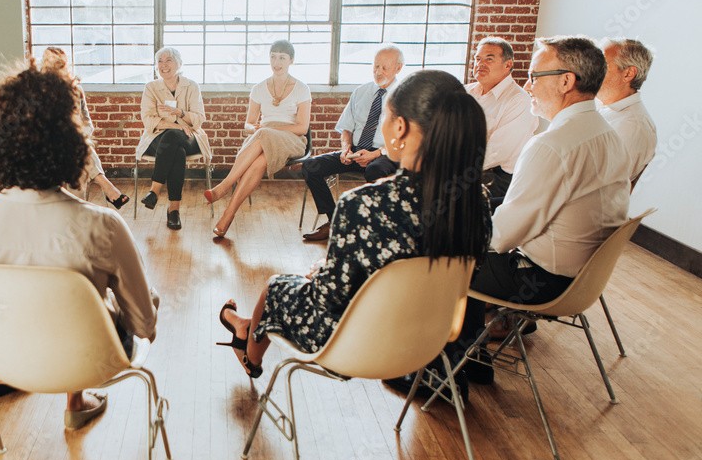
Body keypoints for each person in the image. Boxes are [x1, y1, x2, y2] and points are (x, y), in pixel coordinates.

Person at [218, 70, 491, 384]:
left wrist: (320, 272)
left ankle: (249, 352)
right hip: (429, 341)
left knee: (276, 287)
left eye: (387, 116)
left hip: (357, 346)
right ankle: (244, 328)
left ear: (399, 127)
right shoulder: (475, 200)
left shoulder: (364, 204)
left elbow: (329, 297)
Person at [0, 61, 160, 429]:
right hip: (90, 361)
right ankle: (75, 401)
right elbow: (143, 326)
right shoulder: (104, 225)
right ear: (73, 147)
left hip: (4, 360)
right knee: (118, 296)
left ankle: (62, 388)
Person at [453, 36, 630, 375]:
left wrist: (453, 238)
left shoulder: (551, 145)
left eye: (535, 76)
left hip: (543, 280)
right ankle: (469, 356)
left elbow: (502, 237)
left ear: (567, 81)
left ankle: (454, 369)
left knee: (446, 256)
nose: (527, 85)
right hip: (583, 280)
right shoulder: (608, 134)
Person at [204, 40, 311, 238]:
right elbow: (248, 124)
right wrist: (256, 128)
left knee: (264, 134)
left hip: (292, 139)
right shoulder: (259, 88)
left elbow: (302, 128)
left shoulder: (302, 89)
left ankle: (224, 186)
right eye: (273, 56)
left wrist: (269, 128)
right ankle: (227, 217)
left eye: (282, 57)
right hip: (262, 139)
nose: (276, 62)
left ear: (291, 61)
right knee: (260, 160)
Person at [300, 45, 404, 242]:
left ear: (398, 68)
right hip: (355, 150)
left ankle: (374, 226)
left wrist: (375, 154)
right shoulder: (361, 91)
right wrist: (345, 148)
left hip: (385, 153)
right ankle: (335, 222)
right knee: (310, 166)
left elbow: (404, 139)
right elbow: (346, 127)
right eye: (375, 66)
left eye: (384, 68)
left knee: (374, 170)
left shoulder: (405, 96)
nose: (378, 72)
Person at [40, 47, 129, 210]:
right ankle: (105, 185)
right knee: (79, 150)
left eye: (58, 63)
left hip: (74, 143)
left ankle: (75, 209)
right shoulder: (38, 91)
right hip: (48, 144)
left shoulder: (76, 90)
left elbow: (87, 122)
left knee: (78, 157)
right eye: (49, 62)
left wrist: (82, 135)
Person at [136, 47, 212, 230]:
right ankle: (174, 210)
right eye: (160, 61)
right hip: (158, 139)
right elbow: (148, 120)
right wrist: (177, 125)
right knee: (176, 150)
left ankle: (154, 190)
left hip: (190, 137)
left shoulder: (191, 86)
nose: (164, 65)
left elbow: (199, 119)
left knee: (175, 141)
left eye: (168, 60)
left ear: (179, 63)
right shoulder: (151, 88)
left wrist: (180, 113)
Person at [465, 37, 539, 200]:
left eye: (489, 59)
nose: (480, 64)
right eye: (478, 59)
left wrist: (451, 169)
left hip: (496, 177)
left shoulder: (519, 100)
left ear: (508, 65)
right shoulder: (466, 92)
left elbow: (496, 152)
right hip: (463, 165)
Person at [596, 38, 657, 185]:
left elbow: (598, 187)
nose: (592, 70)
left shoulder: (632, 127)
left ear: (628, 74)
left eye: (601, 65)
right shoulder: (602, 109)